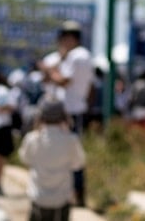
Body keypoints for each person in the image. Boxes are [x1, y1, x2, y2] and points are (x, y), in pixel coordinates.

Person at [38, 21, 93, 206]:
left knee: (71, 156)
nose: (62, 43)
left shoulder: (78, 55)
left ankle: (77, 197)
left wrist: (50, 69)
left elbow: (63, 81)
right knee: (69, 155)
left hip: (71, 113)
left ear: (71, 38)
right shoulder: (77, 56)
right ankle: (74, 196)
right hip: (71, 111)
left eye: (64, 39)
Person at [18, 99, 86, 221]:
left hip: (38, 197)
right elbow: (78, 164)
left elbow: (25, 159)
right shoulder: (71, 140)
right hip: (62, 198)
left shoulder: (32, 139)